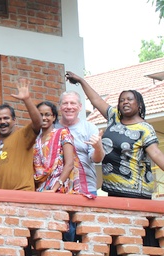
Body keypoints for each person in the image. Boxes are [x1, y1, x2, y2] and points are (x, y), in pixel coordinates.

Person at [67, 71, 164, 199]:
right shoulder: (114, 117)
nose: (125, 102)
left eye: (130, 99)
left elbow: (156, 153)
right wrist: (81, 80)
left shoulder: (145, 129)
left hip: (135, 193)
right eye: (122, 100)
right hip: (112, 189)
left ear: (139, 105)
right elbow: (96, 100)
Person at [0, 78, 42, 191]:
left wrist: (27, 100)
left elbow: (38, 123)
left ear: (14, 120)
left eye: (6, 118)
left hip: (22, 194)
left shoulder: (23, 135)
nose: (2, 122)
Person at [33, 101, 90, 196]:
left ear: (54, 117)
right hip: (40, 189)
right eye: (40, 115)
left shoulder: (62, 134)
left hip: (59, 189)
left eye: (47, 115)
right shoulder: (35, 141)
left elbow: (69, 164)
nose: (43, 118)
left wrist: (54, 188)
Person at [57, 90, 104, 196]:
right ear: (60, 107)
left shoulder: (89, 128)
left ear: (80, 107)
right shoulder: (52, 128)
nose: (69, 107)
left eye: (73, 103)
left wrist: (97, 147)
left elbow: (97, 159)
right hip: (56, 186)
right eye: (65, 103)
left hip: (85, 187)